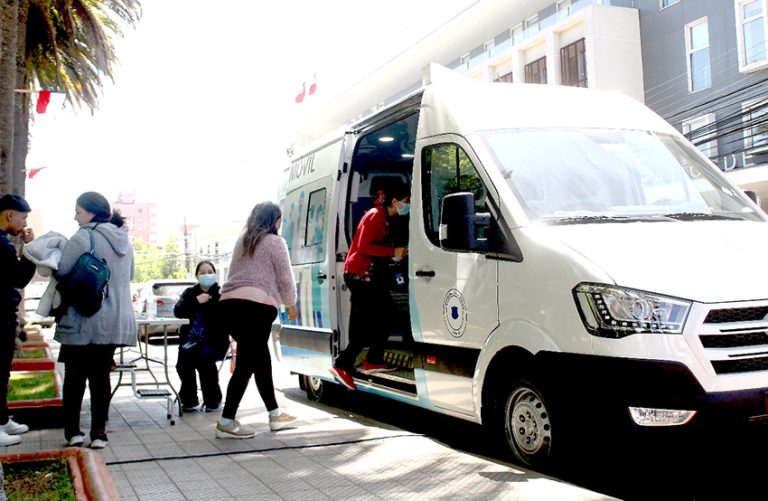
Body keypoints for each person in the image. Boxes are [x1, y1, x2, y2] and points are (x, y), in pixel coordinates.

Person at [54, 192, 136, 449]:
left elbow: (64, 270)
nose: (75, 216)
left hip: (83, 317)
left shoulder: (83, 236)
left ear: (90, 212)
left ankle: (73, 432)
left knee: (75, 376)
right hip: (114, 320)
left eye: (78, 211)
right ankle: (99, 433)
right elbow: (130, 274)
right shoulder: (125, 240)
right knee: (101, 376)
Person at [215, 201, 298, 439]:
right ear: (274, 220)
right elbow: (285, 275)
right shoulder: (275, 242)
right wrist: (290, 303)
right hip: (256, 308)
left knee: (259, 359)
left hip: (229, 305)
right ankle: (226, 421)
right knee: (246, 365)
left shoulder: (242, 241)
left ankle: (274, 414)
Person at [330, 180, 410, 391]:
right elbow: (364, 246)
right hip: (360, 275)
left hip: (367, 276)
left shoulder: (384, 217)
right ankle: (343, 364)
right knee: (369, 321)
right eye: (405, 202)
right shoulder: (376, 215)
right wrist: (394, 252)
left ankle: (373, 360)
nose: (407, 205)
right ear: (394, 201)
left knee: (383, 314)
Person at [0, 194, 36, 446]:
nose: (24, 224)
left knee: (3, 371)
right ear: (9, 215)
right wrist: (30, 252)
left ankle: (2, 420)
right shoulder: (1, 245)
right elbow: (18, 278)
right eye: (23, 218)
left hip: (3, 313)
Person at [173, 260, 226, 413]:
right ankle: (189, 399)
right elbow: (179, 311)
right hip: (190, 341)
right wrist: (196, 301)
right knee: (183, 363)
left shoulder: (221, 294)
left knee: (205, 362)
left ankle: (213, 399)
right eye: (202, 272)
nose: (206, 275)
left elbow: (225, 317)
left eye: (209, 272)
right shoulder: (190, 293)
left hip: (213, 341)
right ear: (196, 276)